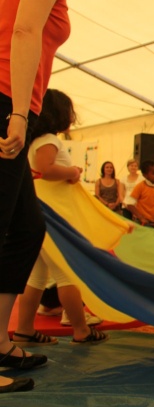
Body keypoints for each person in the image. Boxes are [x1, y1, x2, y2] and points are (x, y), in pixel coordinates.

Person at [0, 0, 81, 393]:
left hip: (10, 104)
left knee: (27, 229)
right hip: (7, 104)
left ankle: (2, 340)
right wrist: (16, 114)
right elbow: (27, 30)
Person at [13, 89, 107, 346]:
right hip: (53, 221)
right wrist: (72, 171)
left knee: (36, 276)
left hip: (41, 215)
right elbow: (46, 169)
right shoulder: (48, 141)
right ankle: (80, 330)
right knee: (66, 274)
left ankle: (23, 330)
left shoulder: (34, 140)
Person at [124, 159, 154, 231]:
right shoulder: (140, 187)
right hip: (142, 223)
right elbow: (130, 204)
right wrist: (141, 218)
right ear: (145, 175)